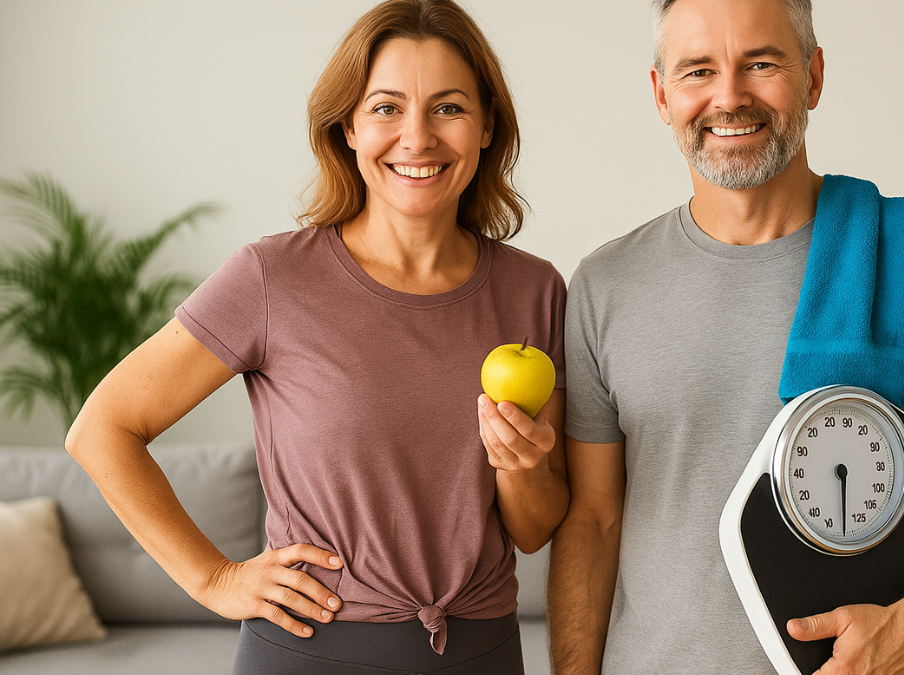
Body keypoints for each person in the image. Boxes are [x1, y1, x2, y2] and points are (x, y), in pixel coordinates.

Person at [546, 0, 904, 674]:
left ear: (814, 75)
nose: (729, 97)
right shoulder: (603, 284)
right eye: (698, 70)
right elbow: (593, 518)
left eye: (760, 64)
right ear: (661, 95)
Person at [66, 1, 567, 673]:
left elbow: (535, 530)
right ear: (348, 129)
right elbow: (102, 428)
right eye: (386, 108)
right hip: (308, 654)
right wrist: (213, 579)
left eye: (448, 108)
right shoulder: (272, 277)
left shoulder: (534, 291)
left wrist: (521, 463)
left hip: (483, 652)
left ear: (485, 128)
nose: (417, 138)